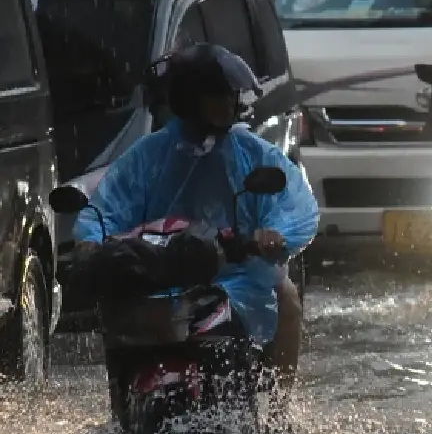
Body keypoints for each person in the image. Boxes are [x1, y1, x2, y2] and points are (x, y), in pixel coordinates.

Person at [72, 44, 319, 383]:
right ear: (190, 98)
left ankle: (279, 416)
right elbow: (107, 208)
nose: (229, 103)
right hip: (159, 274)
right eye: (217, 95)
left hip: (235, 274)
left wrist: (275, 233)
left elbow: (295, 201)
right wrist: (91, 242)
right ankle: (123, 415)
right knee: (115, 319)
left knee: (288, 299)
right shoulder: (148, 155)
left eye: (232, 95)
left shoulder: (252, 153)